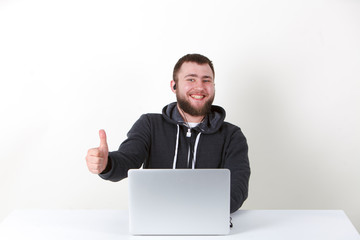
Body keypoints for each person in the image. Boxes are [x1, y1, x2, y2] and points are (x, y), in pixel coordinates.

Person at [86, 54, 250, 213]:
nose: (200, 87)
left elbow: (238, 188)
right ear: (174, 86)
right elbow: (128, 160)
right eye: (191, 79)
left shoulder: (232, 135)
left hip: (208, 219)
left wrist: (202, 212)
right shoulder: (150, 124)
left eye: (206, 80)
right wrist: (106, 164)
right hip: (156, 220)